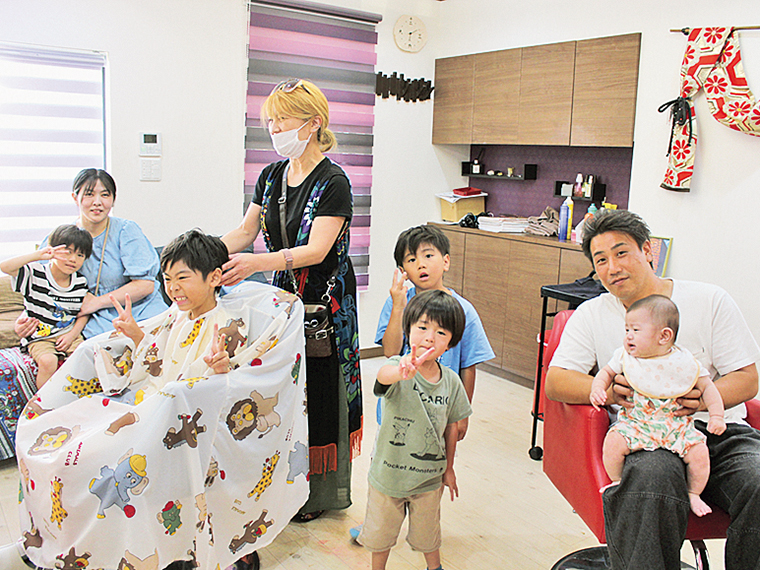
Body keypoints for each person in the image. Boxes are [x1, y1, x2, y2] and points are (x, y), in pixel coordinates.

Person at [3, 229, 308, 570]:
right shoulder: (176, 314)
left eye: (182, 278)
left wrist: (219, 369)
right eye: (167, 279)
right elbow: (157, 362)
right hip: (148, 407)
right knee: (59, 453)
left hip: (178, 425)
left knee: (89, 464)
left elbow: (229, 391)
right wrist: (136, 335)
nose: (173, 288)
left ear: (214, 278)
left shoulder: (227, 324)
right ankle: (54, 543)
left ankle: (94, 551)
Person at [546, 209, 760, 570]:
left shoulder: (709, 299)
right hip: (646, 436)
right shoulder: (591, 314)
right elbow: (557, 380)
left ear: (648, 251)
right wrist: (612, 393)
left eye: (621, 252)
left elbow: (747, 377)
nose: (613, 267)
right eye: (601, 260)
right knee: (651, 480)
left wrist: (703, 400)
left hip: (719, 433)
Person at [221, 78, 361, 521]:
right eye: (271, 120)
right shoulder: (270, 177)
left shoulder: (334, 182)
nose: (274, 128)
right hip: (282, 299)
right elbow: (246, 231)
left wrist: (256, 263)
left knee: (318, 393)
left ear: (313, 122)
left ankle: (317, 494)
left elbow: (316, 251)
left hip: (323, 303)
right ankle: (283, 481)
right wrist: (204, 252)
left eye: (282, 119)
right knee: (283, 388)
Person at [359, 290, 472, 570]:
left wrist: (449, 468)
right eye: (422, 327)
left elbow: (451, 427)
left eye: (441, 332)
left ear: (451, 343)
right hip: (388, 477)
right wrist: (402, 371)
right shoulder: (396, 367)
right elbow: (383, 377)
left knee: (428, 535)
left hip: (428, 480)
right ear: (408, 329)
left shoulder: (451, 382)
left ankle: (435, 567)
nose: (429, 338)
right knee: (381, 537)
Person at [589, 294, 726, 517]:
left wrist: (716, 415)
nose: (628, 336)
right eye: (627, 329)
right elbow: (605, 373)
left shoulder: (684, 362)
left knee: (700, 454)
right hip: (636, 425)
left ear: (664, 336)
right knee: (613, 442)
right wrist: (597, 389)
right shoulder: (625, 357)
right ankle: (618, 481)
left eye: (635, 330)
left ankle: (694, 493)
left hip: (676, 427)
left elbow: (708, 387)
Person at [14, 168, 167, 340]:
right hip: (91, 317)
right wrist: (25, 318)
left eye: (105, 195)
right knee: (99, 346)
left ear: (113, 199)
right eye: (89, 194)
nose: (97, 202)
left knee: (159, 339)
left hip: (140, 308)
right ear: (75, 198)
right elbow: (40, 284)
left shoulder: (126, 231)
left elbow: (146, 285)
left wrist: (96, 302)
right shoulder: (62, 237)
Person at [376, 225, 494, 439]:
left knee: (436, 457)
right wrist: (398, 306)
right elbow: (390, 352)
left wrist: (462, 416)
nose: (421, 264)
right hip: (397, 409)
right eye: (411, 260)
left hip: (440, 412)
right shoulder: (397, 302)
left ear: (446, 261)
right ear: (403, 271)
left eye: (428, 255)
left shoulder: (463, 309)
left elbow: (468, 365)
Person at [1, 225, 92, 389]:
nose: (73, 259)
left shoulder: (80, 283)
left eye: (80, 255)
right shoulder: (35, 274)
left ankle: (75, 398)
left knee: (86, 358)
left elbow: (84, 312)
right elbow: (5, 267)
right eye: (67, 252)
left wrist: (72, 335)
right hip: (40, 336)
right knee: (48, 361)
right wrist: (38, 255)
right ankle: (42, 401)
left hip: (68, 334)